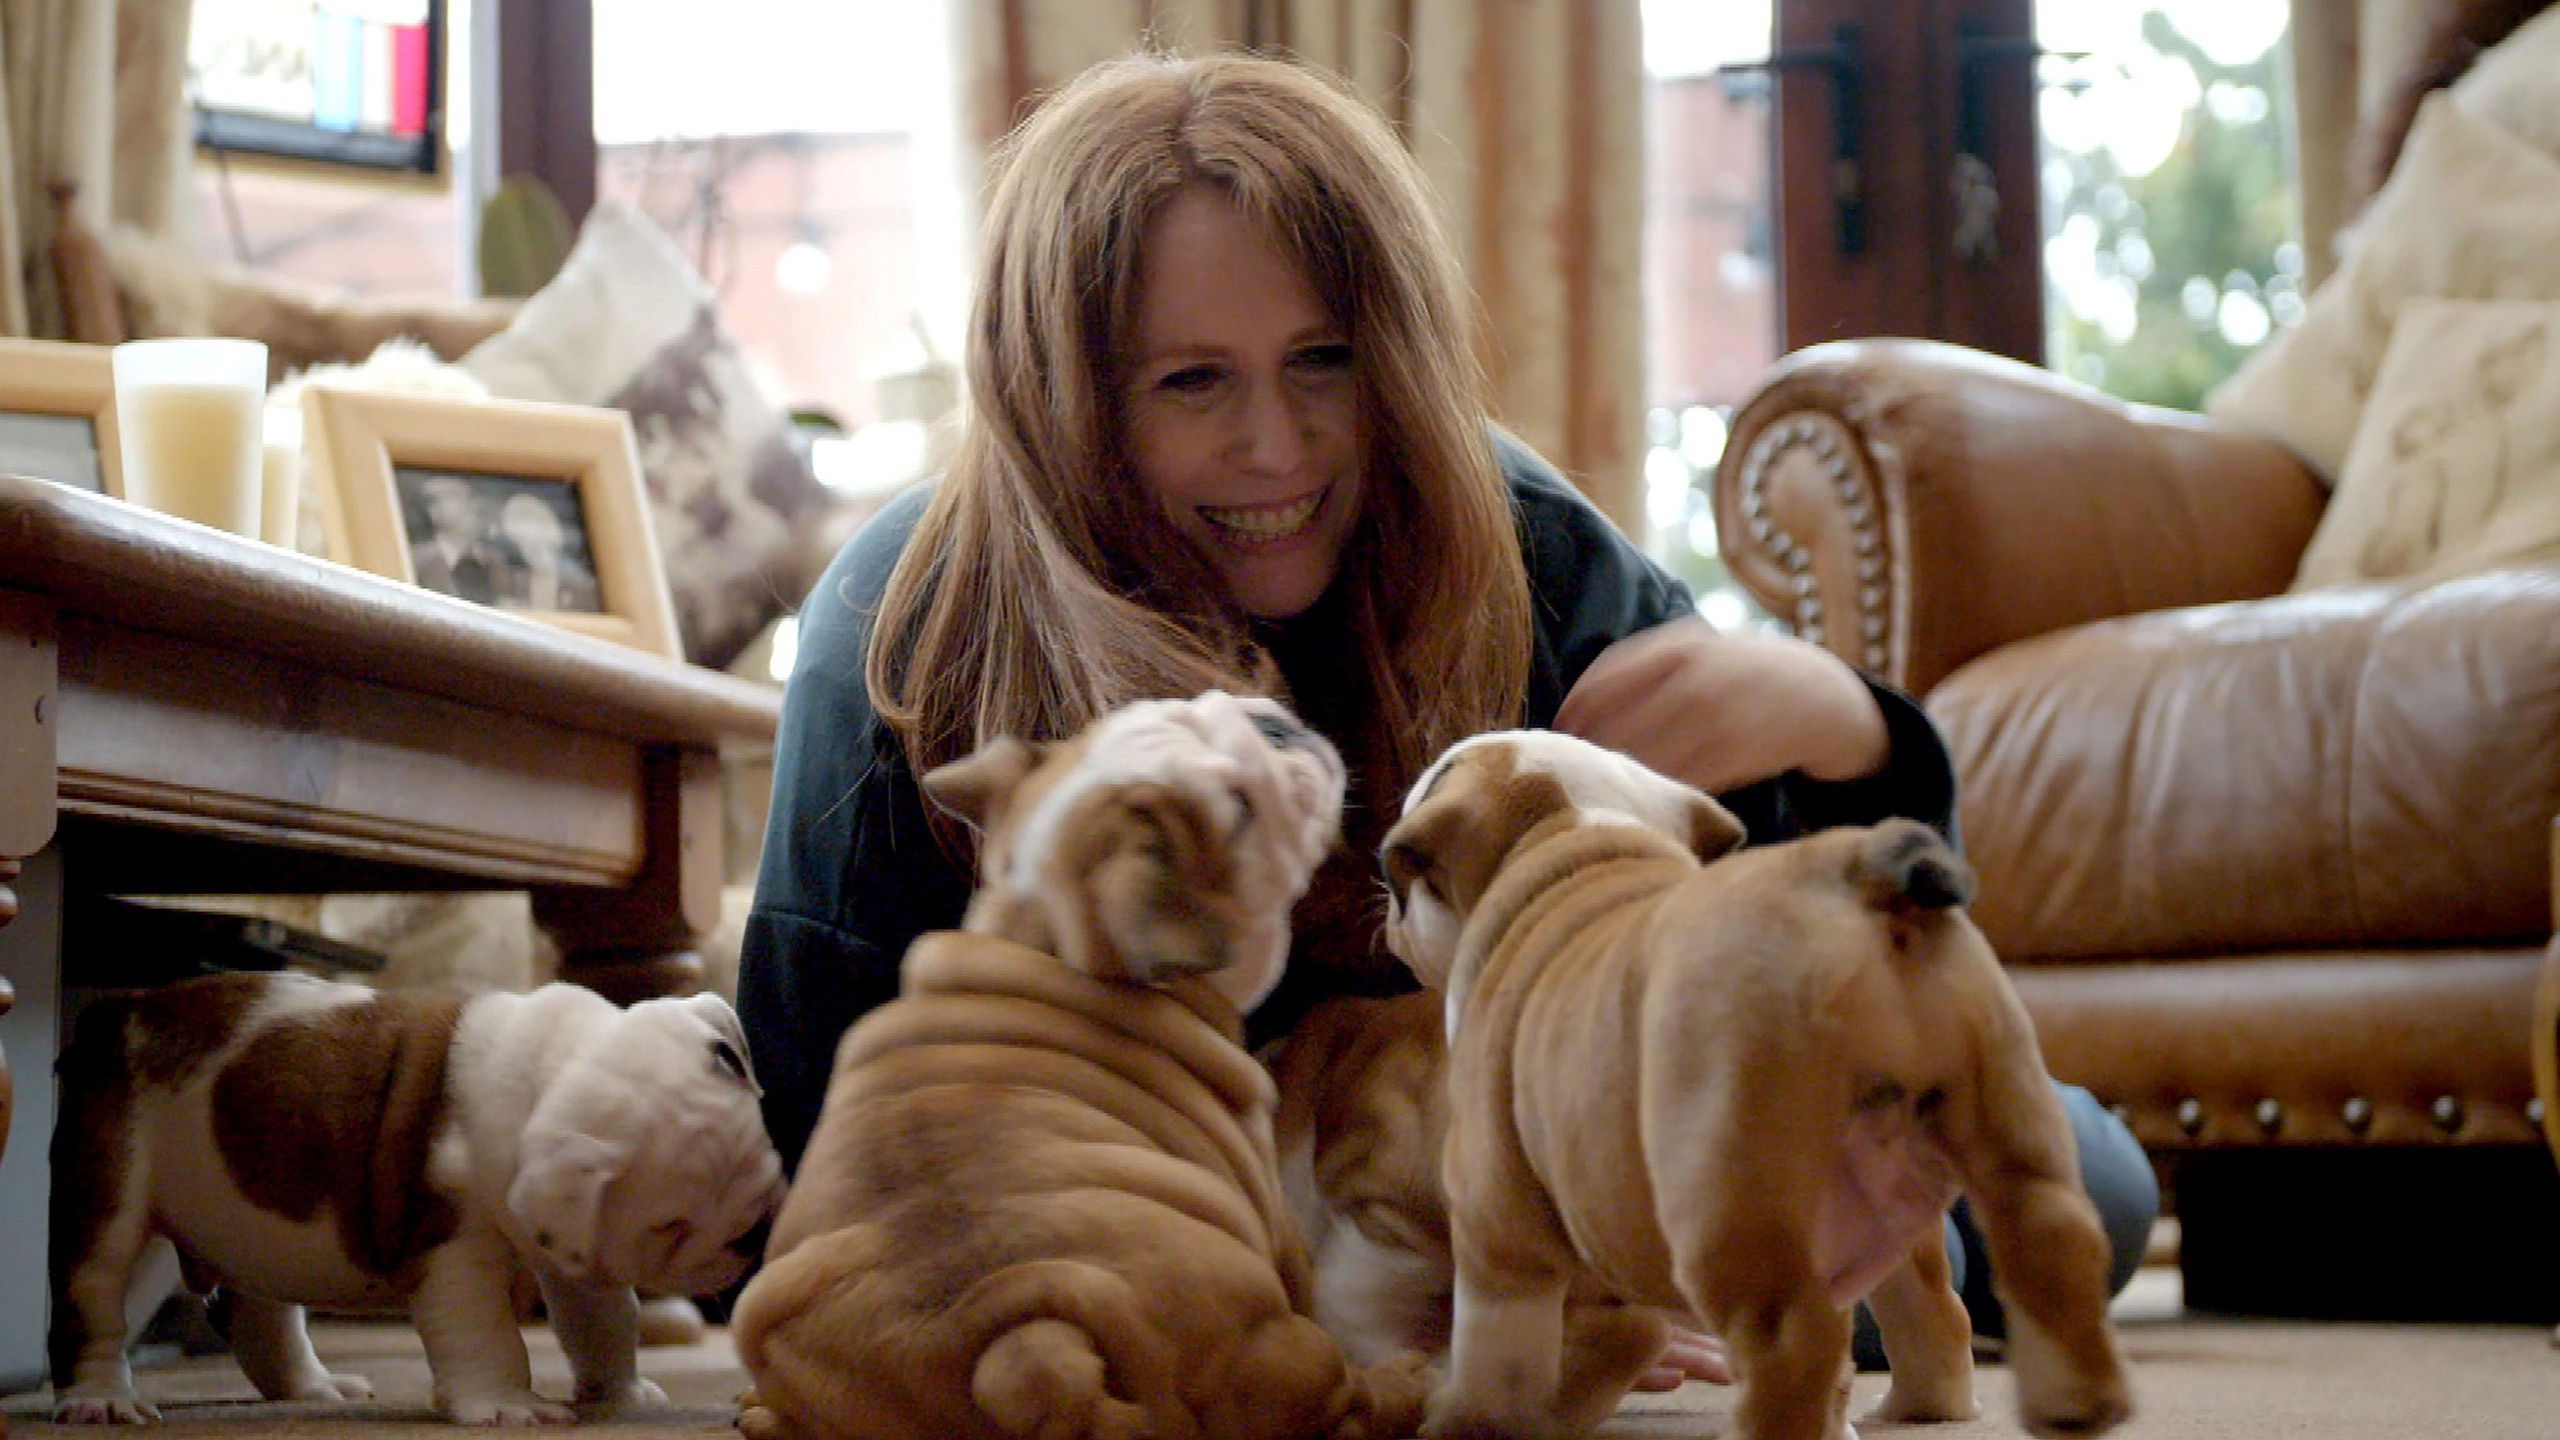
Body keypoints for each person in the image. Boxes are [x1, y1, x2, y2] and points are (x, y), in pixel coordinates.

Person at [738, 51, 2154, 1384]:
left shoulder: (1522, 542)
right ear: (1065, 404)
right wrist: (1347, 1311)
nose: (1276, 447)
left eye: (1325, 359)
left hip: (1543, 1158)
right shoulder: (907, 632)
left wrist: (1847, 731)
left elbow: (1840, 989)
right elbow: (830, 1167)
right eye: (1191, 381)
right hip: (1141, 1226)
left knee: (2070, 1179)